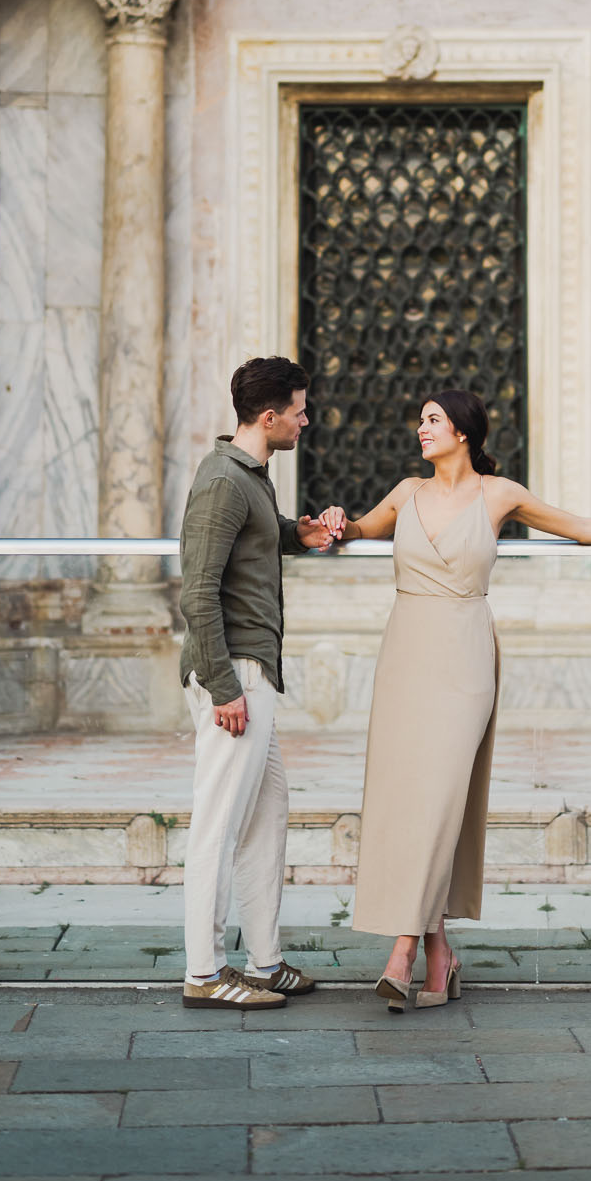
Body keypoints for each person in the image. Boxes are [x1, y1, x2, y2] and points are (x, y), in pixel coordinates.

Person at [335, 388, 591, 1009]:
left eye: (432, 419)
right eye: (421, 419)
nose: (420, 428)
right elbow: (357, 530)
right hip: (405, 651)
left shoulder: (499, 493)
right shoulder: (406, 492)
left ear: (463, 433)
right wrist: (333, 520)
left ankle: (402, 947)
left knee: (442, 796)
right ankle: (439, 955)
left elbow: (581, 528)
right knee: (409, 800)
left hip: (464, 652)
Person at [178, 356, 344, 1010]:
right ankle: (204, 972)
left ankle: (265, 960)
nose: (307, 420)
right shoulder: (223, 481)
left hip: (255, 674)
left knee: (267, 816)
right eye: (299, 411)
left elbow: (262, 540)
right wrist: (223, 688)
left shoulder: (251, 477)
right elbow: (197, 591)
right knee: (218, 826)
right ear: (269, 417)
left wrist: (304, 534)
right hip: (237, 673)